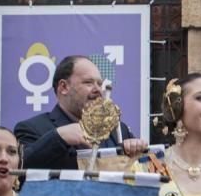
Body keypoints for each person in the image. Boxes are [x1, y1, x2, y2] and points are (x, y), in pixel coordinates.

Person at [14, 55, 147, 169]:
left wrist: (136, 152)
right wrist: (60, 136)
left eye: (99, 84)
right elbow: (19, 168)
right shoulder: (31, 129)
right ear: (64, 87)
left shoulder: (118, 130)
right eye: (88, 83)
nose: (98, 90)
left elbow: (141, 170)